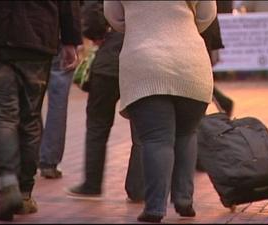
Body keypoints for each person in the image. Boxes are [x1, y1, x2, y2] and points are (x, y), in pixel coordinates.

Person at [0, 1, 82, 221]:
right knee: (30, 116)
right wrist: (70, 39)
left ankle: (7, 183)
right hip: (37, 33)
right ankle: (23, 193)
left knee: (1, 114)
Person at [104, 1, 216, 223]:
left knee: (156, 139)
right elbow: (207, 14)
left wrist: (142, 24)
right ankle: (184, 200)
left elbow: (114, 17)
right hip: (191, 62)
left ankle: (155, 208)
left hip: (144, 62)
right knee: (187, 134)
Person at [66, 0, 134, 200]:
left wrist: (96, 34)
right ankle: (138, 188)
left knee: (97, 125)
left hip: (109, 58)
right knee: (142, 128)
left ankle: (92, 184)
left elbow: (92, 8)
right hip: (141, 58)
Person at [39, 45, 75, 179]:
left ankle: (28, 155)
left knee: (29, 100)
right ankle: (49, 161)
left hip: (23, 41)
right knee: (58, 102)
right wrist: (72, 42)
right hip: (56, 38)